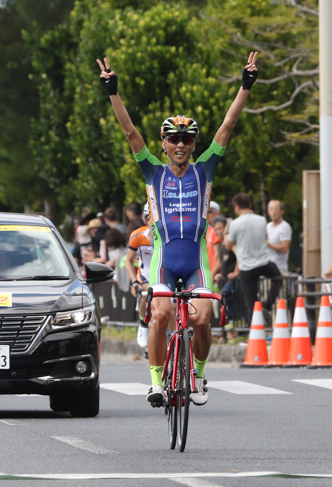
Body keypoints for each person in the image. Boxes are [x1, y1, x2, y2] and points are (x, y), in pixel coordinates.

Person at [98, 51, 259, 407]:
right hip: (164, 259)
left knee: (202, 321)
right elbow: (129, 130)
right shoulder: (153, 171)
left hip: (196, 260)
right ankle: (156, 382)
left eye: (187, 139)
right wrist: (113, 92)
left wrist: (245, 87)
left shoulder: (206, 169)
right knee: (161, 313)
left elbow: (227, 126)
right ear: (164, 143)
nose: (181, 145)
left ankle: (199, 374)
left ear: (194, 144)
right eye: (174, 139)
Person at [224, 192, 281, 324]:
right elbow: (265, 237)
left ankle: (254, 333)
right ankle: (266, 305)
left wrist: (227, 232)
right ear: (249, 205)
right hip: (263, 262)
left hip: (246, 267)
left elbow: (228, 245)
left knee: (251, 302)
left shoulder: (235, 224)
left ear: (237, 207)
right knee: (278, 279)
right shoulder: (261, 219)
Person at [126, 203, 154, 349]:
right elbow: (128, 261)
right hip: (146, 274)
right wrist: (134, 282)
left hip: (165, 274)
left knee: (173, 308)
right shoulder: (138, 235)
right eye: (151, 218)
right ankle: (143, 323)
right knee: (147, 292)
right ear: (145, 219)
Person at [212, 215, 239, 342]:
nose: (218, 232)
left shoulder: (230, 242)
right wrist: (217, 274)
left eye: (220, 228)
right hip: (225, 279)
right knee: (223, 302)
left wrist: (236, 272)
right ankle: (228, 333)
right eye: (215, 229)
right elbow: (221, 262)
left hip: (234, 280)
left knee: (223, 298)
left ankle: (231, 332)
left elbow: (239, 255)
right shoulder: (223, 245)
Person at [266, 200, 292, 273]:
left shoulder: (285, 227)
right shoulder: (267, 226)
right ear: (268, 212)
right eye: (271, 209)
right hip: (267, 269)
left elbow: (284, 248)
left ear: (281, 211)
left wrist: (267, 244)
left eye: (276, 209)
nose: (273, 211)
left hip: (280, 270)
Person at [206, 201, 223, 283]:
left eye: (210, 211)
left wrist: (212, 274)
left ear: (217, 213)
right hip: (209, 273)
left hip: (215, 274)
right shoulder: (209, 230)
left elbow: (218, 255)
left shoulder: (216, 231)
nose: (207, 214)